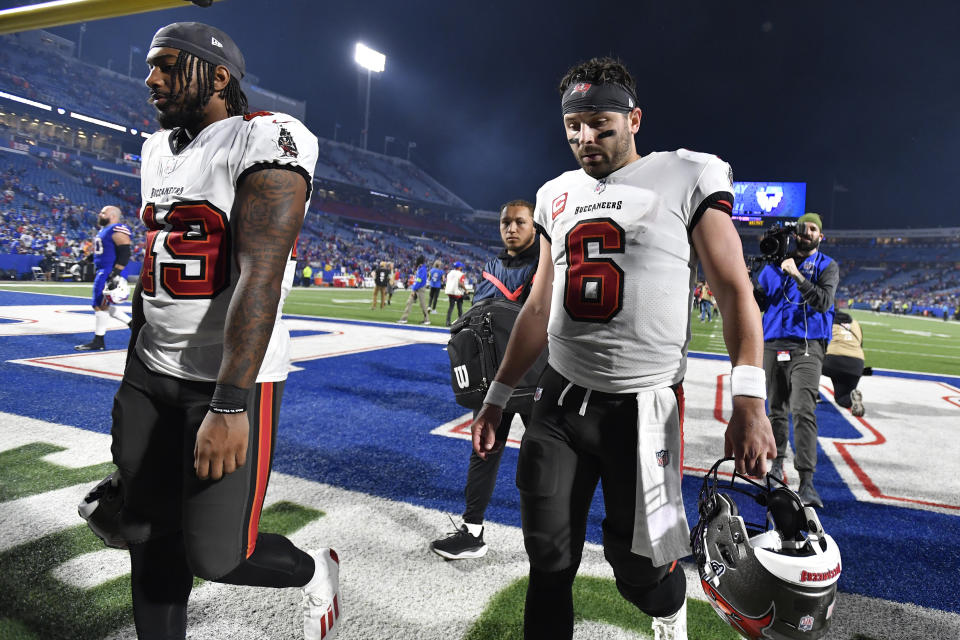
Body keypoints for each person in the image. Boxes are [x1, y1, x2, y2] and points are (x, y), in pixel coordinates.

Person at [470, 57, 775, 640]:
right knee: (549, 563)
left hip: (643, 409)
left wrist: (750, 402)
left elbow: (736, 291)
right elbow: (539, 305)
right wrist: (498, 395)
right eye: (573, 127)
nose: (585, 139)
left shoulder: (686, 175)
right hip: (559, 401)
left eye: (601, 125)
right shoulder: (554, 194)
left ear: (635, 118)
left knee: (638, 572)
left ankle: (669, 607)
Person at [79, 23, 339, 640]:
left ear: (218, 75)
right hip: (150, 372)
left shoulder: (266, 136)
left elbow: (262, 273)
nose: (151, 79)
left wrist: (229, 403)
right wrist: (133, 365)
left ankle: (315, 574)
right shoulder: (155, 149)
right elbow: (155, 267)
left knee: (218, 555)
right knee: (143, 530)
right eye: (150, 67)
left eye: (167, 65)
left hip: (223, 381)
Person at [430, 199, 539, 560]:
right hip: (499, 379)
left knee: (545, 458)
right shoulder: (492, 265)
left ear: (535, 226)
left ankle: (549, 537)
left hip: (539, 375)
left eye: (519, 222)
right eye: (505, 222)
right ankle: (472, 531)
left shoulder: (547, 263)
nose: (511, 228)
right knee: (484, 451)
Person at [754, 212, 838, 508]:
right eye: (802, 228)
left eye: (813, 228)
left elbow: (824, 302)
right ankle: (776, 469)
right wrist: (751, 275)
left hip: (807, 346)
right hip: (773, 342)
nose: (807, 232)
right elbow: (757, 302)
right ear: (794, 234)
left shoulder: (827, 266)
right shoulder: (775, 266)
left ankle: (807, 482)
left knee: (803, 411)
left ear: (820, 236)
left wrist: (797, 275)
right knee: (775, 411)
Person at [74, 205, 132, 351]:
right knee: (104, 304)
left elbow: (125, 253)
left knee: (100, 305)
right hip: (103, 270)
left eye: (103, 212)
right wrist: (82, 263)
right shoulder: (103, 230)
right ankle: (133, 324)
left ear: (112, 215)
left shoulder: (117, 229)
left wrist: (115, 273)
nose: (100, 214)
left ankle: (98, 341)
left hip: (109, 271)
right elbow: (100, 253)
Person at [822, 309, 865, 417]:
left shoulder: (826, 320)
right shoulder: (855, 323)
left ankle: (812, 395)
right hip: (856, 364)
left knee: (807, 366)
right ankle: (851, 397)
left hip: (833, 361)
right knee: (842, 398)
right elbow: (860, 344)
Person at [398, 255, 430, 324]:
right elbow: (418, 280)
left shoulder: (422, 269)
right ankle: (404, 318)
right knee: (409, 302)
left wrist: (414, 289)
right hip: (417, 288)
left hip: (420, 288)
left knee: (422, 304)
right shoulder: (421, 268)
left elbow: (419, 280)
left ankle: (427, 319)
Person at [444, 260, 467, 326]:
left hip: (450, 292)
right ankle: (461, 322)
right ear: (459, 267)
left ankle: (447, 322)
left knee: (451, 307)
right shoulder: (461, 274)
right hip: (457, 293)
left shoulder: (450, 273)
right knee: (459, 308)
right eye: (461, 267)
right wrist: (466, 290)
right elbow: (461, 283)